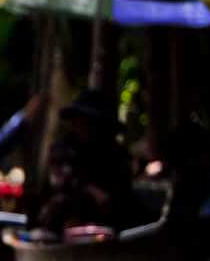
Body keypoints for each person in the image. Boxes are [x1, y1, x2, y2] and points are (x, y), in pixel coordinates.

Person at [32, 88, 137, 236]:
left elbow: (121, 190)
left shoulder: (116, 154)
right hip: (63, 223)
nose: (84, 127)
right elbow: (61, 183)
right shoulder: (62, 150)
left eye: (91, 122)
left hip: (108, 227)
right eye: (80, 120)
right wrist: (90, 191)